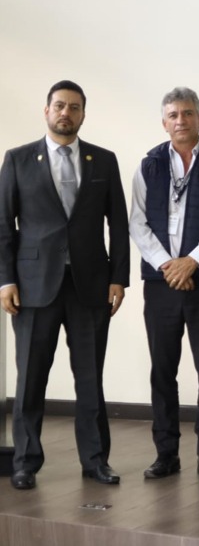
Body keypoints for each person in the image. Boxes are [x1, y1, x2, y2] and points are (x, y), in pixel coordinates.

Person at [0, 80, 130, 489]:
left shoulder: (103, 160)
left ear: (83, 114)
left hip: (90, 285)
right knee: (30, 379)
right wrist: (5, 280)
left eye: (74, 107)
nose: (66, 113)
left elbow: (119, 224)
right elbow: (3, 225)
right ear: (46, 111)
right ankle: (25, 462)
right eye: (59, 105)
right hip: (33, 286)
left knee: (90, 378)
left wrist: (119, 278)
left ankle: (96, 461)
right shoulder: (18, 159)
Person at [129, 87, 199, 481]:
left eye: (188, 113)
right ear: (164, 123)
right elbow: (137, 221)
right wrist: (168, 265)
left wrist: (192, 262)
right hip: (161, 283)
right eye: (174, 115)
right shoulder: (149, 165)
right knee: (163, 369)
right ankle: (166, 454)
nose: (181, 120)